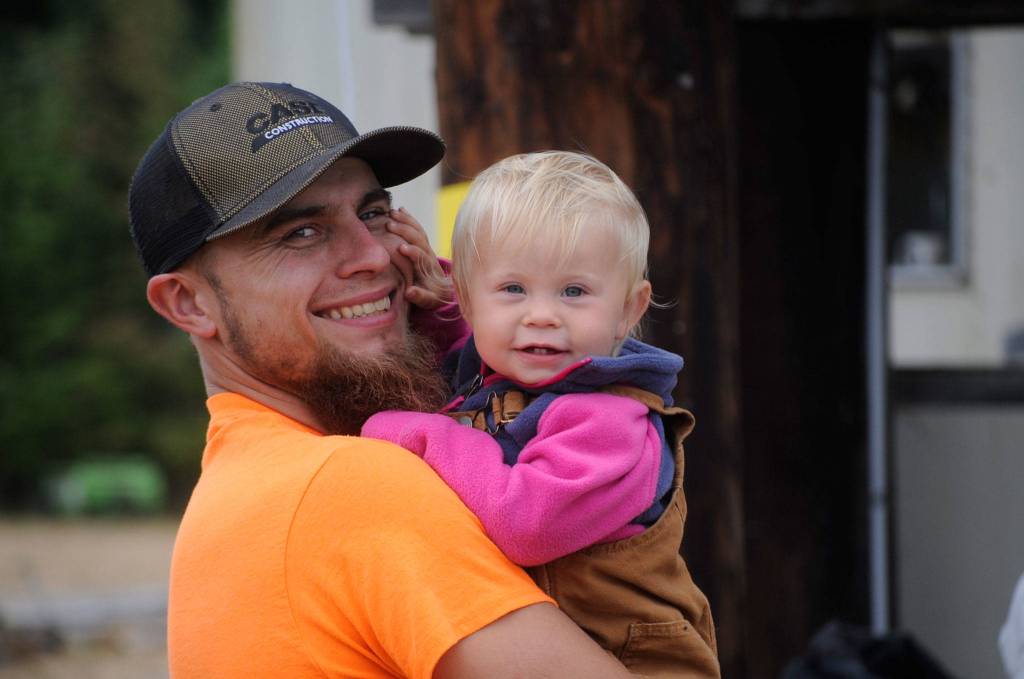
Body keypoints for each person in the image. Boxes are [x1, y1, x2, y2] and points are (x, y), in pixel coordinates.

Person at [128, 81, 636, 679]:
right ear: (189, 304)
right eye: (301, 233)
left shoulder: (243, 490)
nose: (372, 255)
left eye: (373, 213)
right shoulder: (351, 484)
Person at [361, 151, 720, 678]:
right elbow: (467, 357)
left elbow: (524, 523)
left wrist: (420, 434)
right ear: (467, 297)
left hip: (635, 663)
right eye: (512, 289)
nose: (542, 315)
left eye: (574, 292)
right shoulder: (515, 369)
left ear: (629, 309)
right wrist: (430, 296)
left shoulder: (610, 422)